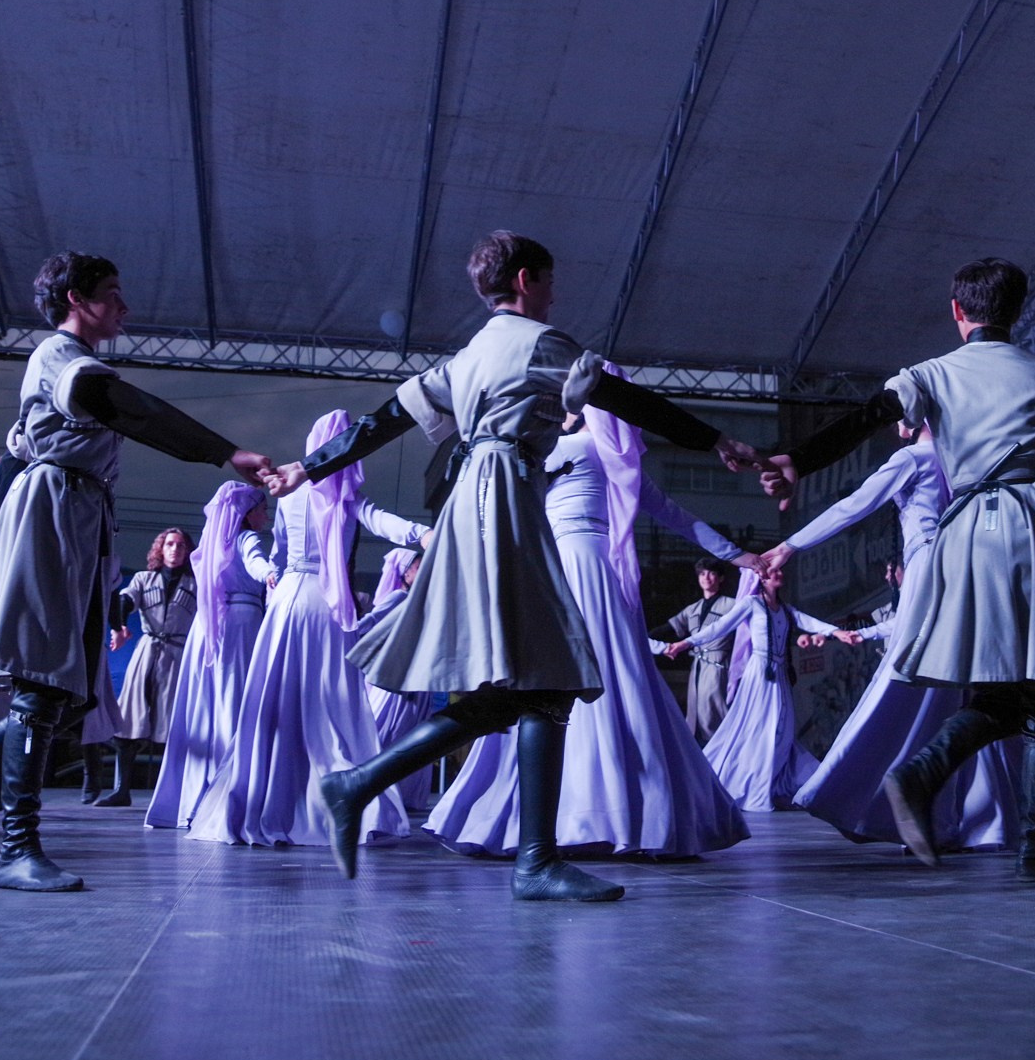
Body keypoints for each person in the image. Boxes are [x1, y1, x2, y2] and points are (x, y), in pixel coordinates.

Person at [263, 231, 760, 902]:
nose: (555, 294)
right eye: (550, 281)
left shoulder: (467, 357)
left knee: (535, 686)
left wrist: (309, 466)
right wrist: (717, 437)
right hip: (506, 499)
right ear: (526, 280)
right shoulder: (541, 344)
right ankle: (529, 858)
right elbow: (623, 399)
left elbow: (382, 421)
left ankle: (366, 788)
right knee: (547, 676)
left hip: (479, 500)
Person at [756, 257, 1035, 879]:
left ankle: (932, 781)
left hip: (965, 533)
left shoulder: (931, 375)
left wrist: (796, 458)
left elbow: (869, 416)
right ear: (1018, 310)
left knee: (1001, 687)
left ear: (957, 311)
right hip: (1026, 527)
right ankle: (1031, 841)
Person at [0, 252, 270, 891]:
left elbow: (9, 462)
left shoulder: (59, 378)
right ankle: (14, 849)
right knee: (40, 681)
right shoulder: (61, 361)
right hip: (52, 516)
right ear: (78, 300)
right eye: (113, 293)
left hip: (75, 521)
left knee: (61, 691)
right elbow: (127, 407)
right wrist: (225, 452)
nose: (125, 307)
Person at [426, 405, 751, 858]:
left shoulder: (565, 447)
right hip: (597, 571)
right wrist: (739, 556)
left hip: (561, 564)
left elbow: (503, 497)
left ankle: (553, 814)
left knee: (549, 680)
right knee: (618, 679)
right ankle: (630, 812)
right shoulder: (618, 460)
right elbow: (677, 515)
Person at [763, 426, 1027, 853]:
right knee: (963, 689)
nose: (895, 427)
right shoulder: (966, 458)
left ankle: (870, 792)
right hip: (971, 572)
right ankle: (981, 815)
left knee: (915, 683)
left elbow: (853, 506)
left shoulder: (913, 458)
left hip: (931, 572)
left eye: (900, 415)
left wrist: (792, 545)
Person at [187, 412, 426, 848]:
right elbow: (384, 522)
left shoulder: (290, 496)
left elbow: (277, 551)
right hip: (327, 604)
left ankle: (266, 798)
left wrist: (275, 577)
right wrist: (426, 534)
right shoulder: (347, 498)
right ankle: (331, 798)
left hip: (287, 603)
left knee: (276, 704)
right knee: (331, 706)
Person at [666, 564, 855, 813]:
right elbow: (718, 628)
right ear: (762, 579)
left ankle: (775, 783)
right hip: (759, 674)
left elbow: (809, 622)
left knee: (782, 731)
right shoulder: (751, 604)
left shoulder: (786, 610)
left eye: (780, 571)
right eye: (774, 571)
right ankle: (742, 783)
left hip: (779, 676)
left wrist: (837, 632)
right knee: (757, 730)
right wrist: (685, 643)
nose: (779, 574)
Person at [144, 482, 275, 830]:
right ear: (248, 513)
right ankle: (228, 797)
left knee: (205, 708)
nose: (266, 515)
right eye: (262, 508)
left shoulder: (211, 544)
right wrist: (272, 574)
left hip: (207, 625)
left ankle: (194, 798)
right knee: (233, 705)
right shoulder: (246, 538)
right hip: (239, 624)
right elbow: (256, 562)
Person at [98, 528, 196, 806]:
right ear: (160, 549)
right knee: (129, 717)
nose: (175, 549)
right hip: (147, 652)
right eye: (169, 544)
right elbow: (125, 600)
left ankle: (171, 792)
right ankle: (121, 789)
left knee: (172, 722)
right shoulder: (144, 579)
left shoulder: (195, 583)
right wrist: (119, 623)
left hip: (177, 654)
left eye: (180, 545)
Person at [363, 548, 436, 810]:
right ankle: (376, 786)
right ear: (406, 573)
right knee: (388, 728)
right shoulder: (398, 597)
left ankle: (403, 793)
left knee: (411, 729)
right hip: (398, 675)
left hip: (418, 673)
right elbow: (371, 622)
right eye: (418, 566)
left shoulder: (422, 599)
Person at [650, 558, 740, 743]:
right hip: (698, 666)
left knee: (715, 712)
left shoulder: (732, 605)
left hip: (719, 664)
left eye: (711, 573)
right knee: (695, 715)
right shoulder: (692, 609)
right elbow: (668, 628)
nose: (706, 577)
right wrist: (640, 637)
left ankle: (723, 755)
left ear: (720, 578)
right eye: (702, 573)